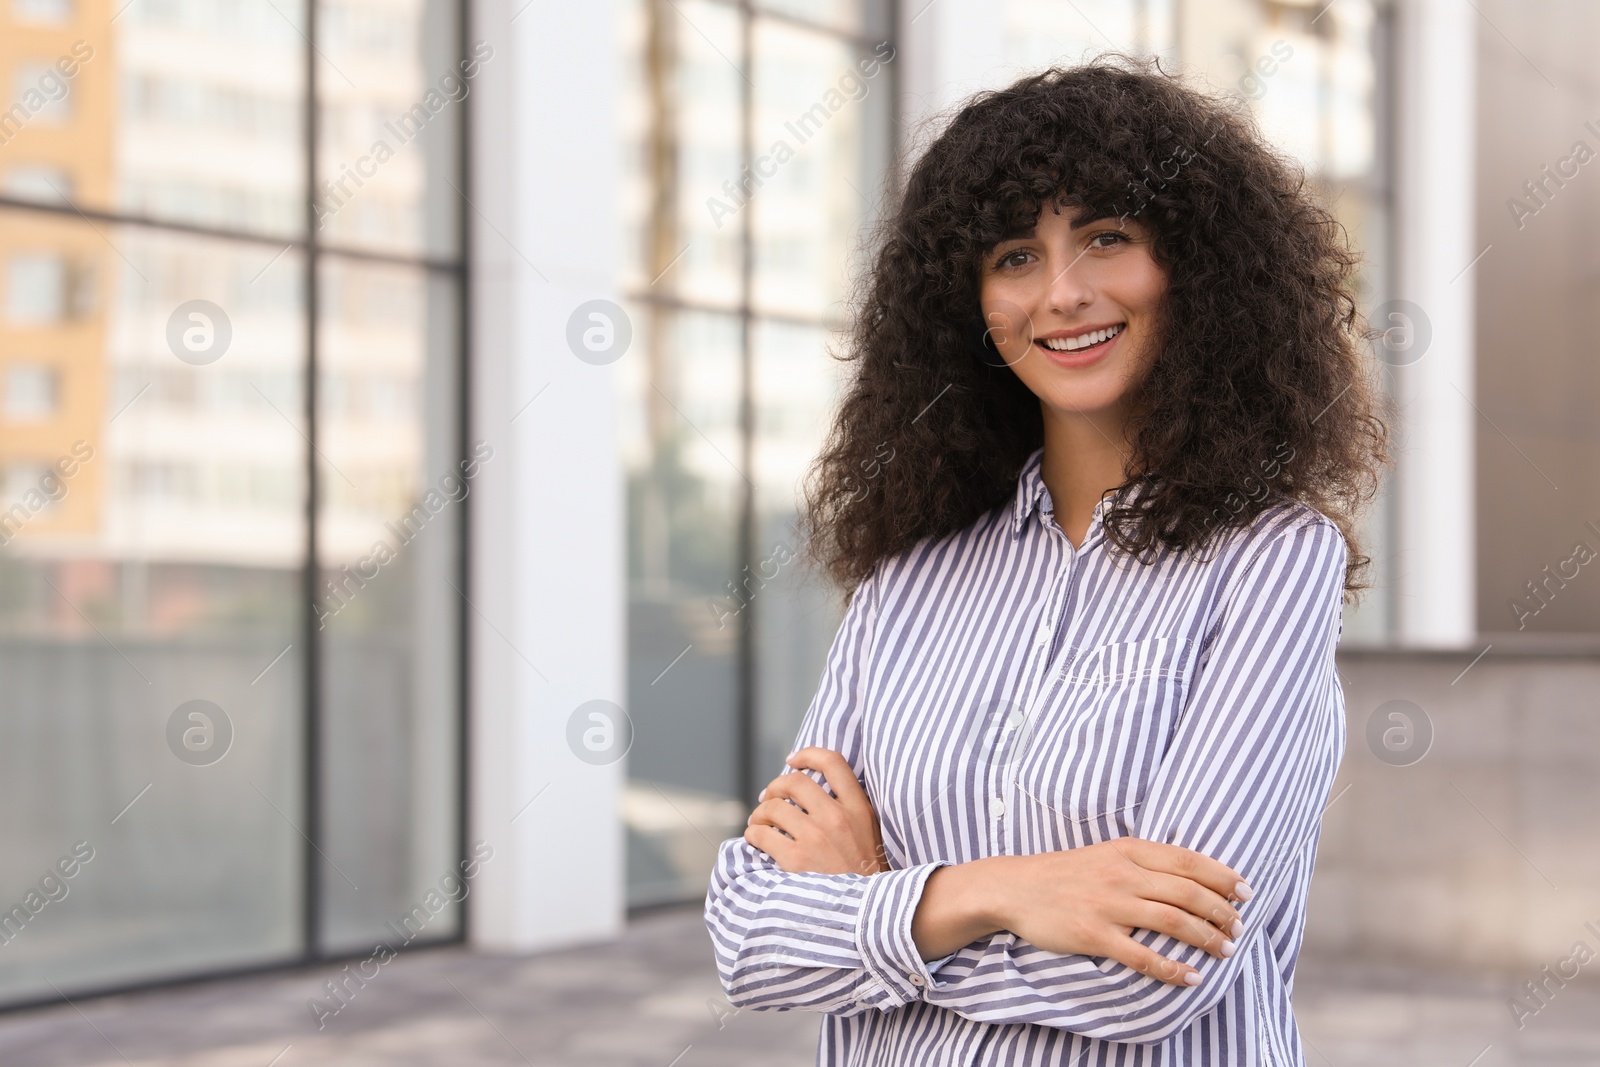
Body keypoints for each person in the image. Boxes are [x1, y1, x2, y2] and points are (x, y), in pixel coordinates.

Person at [703, 55, 1390, 1066]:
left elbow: (1149, 967)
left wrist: (869, 905)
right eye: (1014, 256)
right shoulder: (909, 577)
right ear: (966, 300)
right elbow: (749, 939)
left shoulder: (1272, 560)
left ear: (1197, 267)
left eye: (1107, 238)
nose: (1061, 294)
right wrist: (1005, 893)